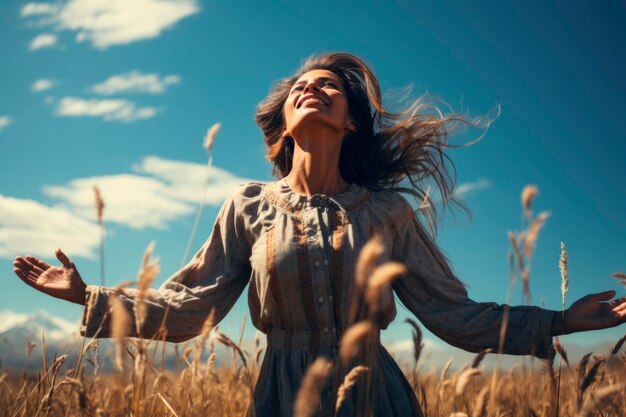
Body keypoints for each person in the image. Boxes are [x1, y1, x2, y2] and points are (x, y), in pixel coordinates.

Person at [13, 52, 626, 417]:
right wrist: (87, 297)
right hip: (283, 395)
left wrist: (561, 321)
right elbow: (191, 308)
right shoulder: (246, 207)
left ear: (351, 121)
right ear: (284, 120)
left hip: (374, 396)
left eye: (329, 85)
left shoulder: (387, 211)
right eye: (302, 86)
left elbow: (454, 314)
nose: (312, 87)